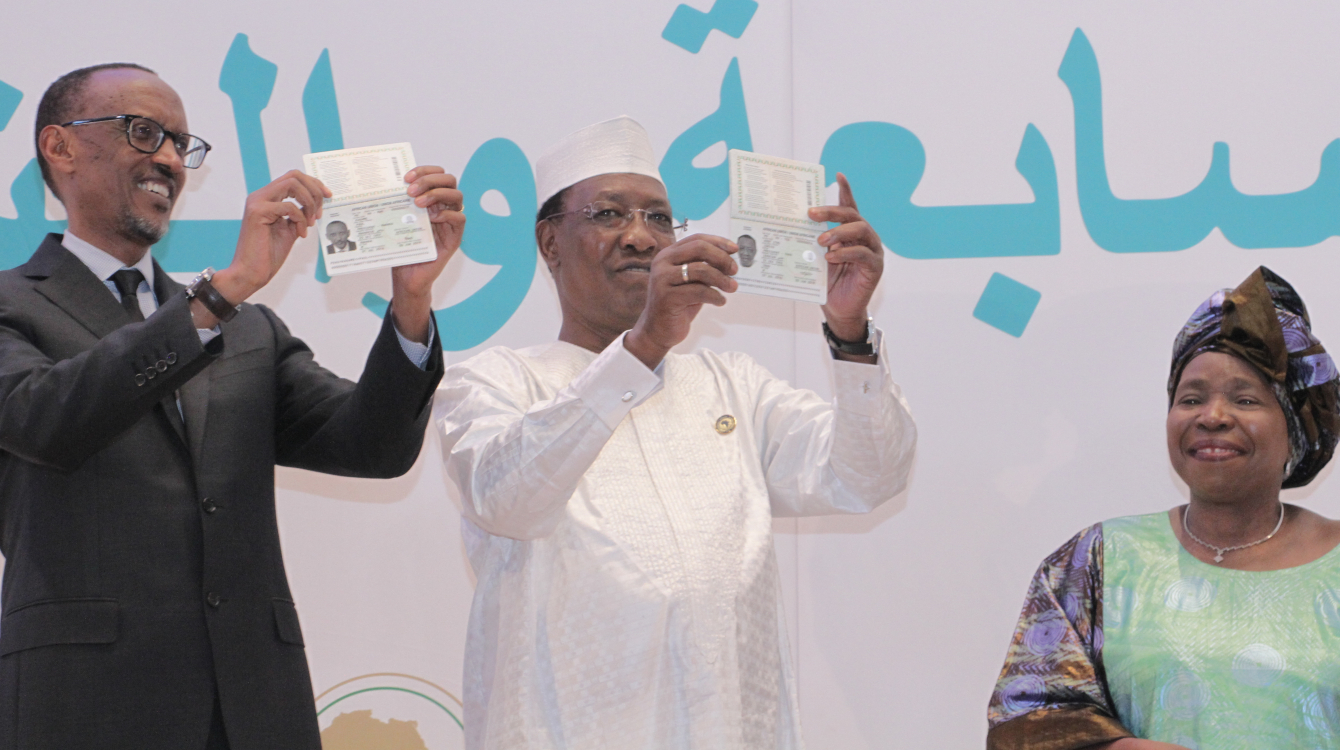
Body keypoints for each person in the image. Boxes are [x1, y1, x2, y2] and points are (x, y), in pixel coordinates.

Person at [0, 63, 465, 749]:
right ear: (60, 146)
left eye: (180, 143)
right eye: (142, 132)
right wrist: (217, 296)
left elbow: (375, 448)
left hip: (252, 704)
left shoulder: (248, 331)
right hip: (84, 700)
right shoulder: (15, 303)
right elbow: (45, 419)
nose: (167, 158)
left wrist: (412, 303)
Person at [436, 116, 917, 749]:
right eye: (609, 214)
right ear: (550, 243)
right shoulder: (492, 383)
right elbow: (509, 499)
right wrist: (641, 349)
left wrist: (850, 332)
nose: (640, 237)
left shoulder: (732, 388)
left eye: (659, 219)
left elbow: (867, 476)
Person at [986, 267, 1340, 750]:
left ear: (1297, 431)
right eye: (1190, 397)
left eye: (1245, 398)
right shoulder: (1098, 560)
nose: (1212, 416)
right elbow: (1023, 720)